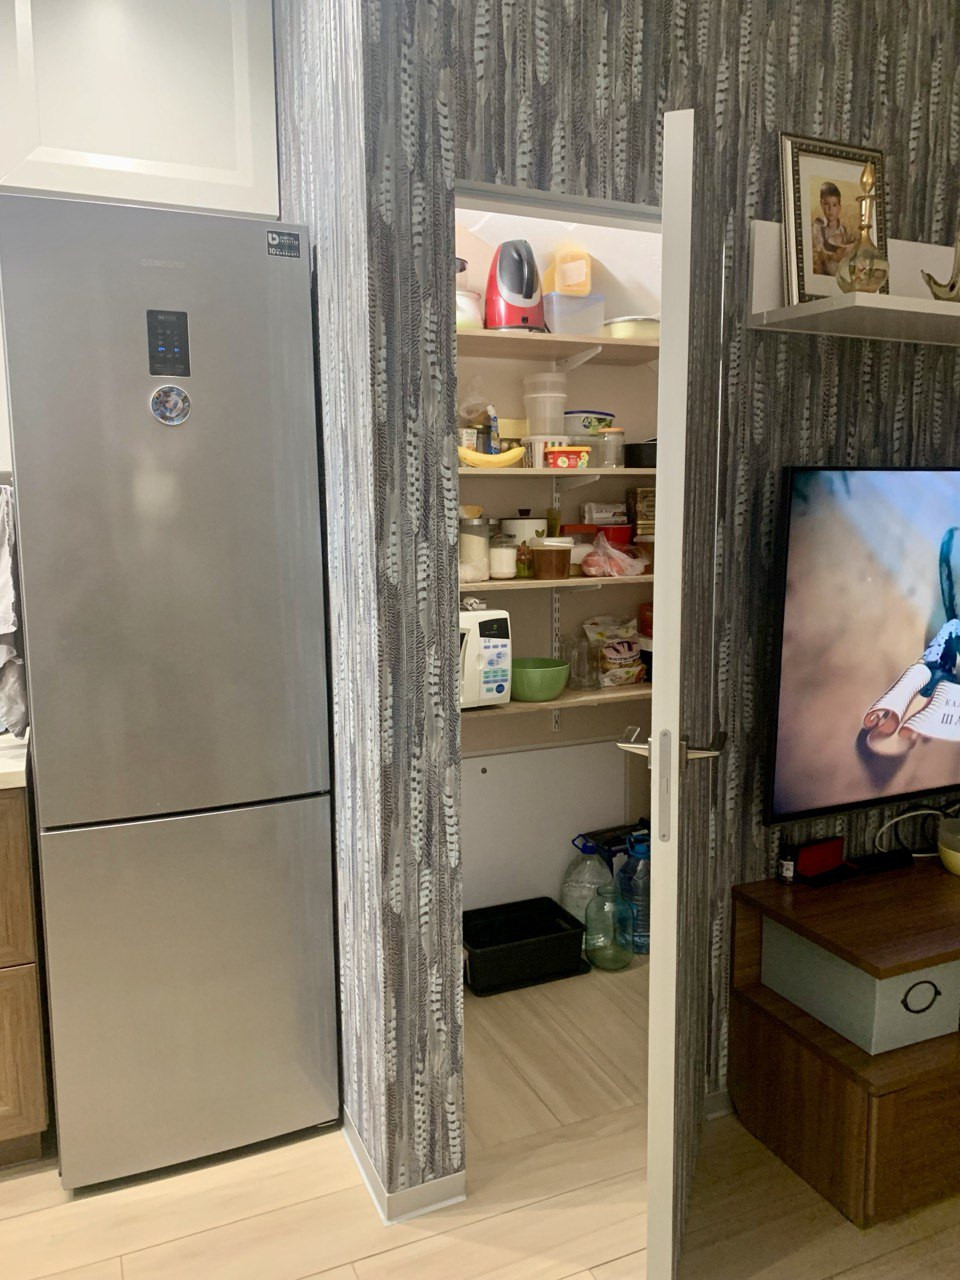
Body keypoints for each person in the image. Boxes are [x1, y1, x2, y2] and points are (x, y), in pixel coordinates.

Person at [811, 181, 856, 276]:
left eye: (834, 205)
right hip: (827, 267)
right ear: (821, 204)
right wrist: (833, 256)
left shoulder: (843, 229)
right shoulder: (819, 226)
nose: (830, 209)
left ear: (839, 207)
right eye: (826, 204)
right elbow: (820, 249)